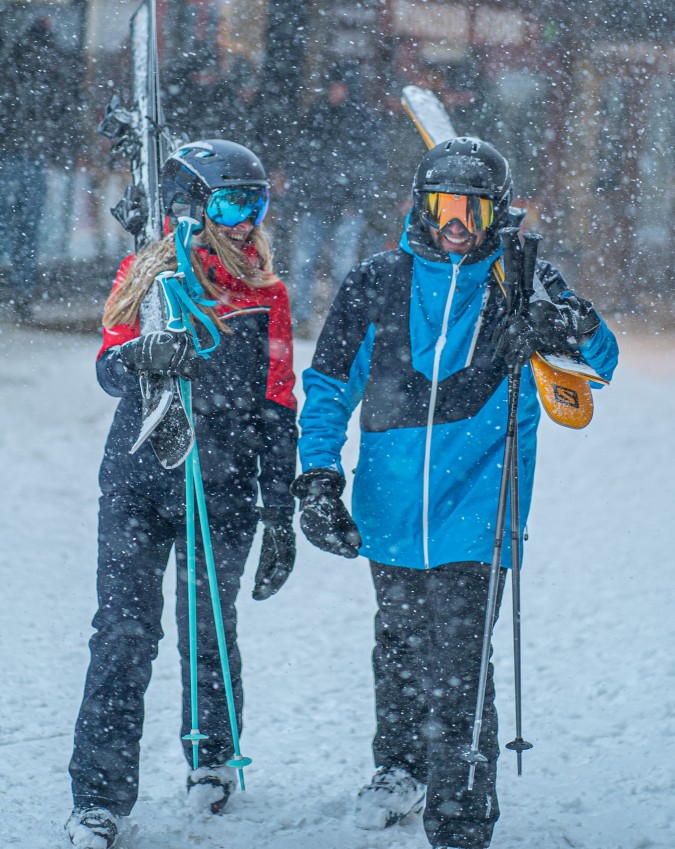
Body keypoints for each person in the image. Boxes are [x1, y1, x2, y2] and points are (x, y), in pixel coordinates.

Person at [291, 135, 618, 849]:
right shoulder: (373, 282)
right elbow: (325, 387)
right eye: (443, 206)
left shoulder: (522, 283)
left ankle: (460, 818)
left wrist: (571, 322)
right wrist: (317, 474)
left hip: (478, 509)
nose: (455, 223)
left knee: (460, 663)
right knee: (399, 644)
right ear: (419, 205)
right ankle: (399, 766)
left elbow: (602, 363)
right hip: (390, 505)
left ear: (496, 214)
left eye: (471, 209)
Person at [67, 139, 298, 849]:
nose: (245, 220)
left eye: (256, 203)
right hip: (138, 481)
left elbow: (278, 406)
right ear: (190, 204)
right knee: (124, 633)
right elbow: (108, 367)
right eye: (231, 202)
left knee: (206, 624)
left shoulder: (265, 293)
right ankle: (100, 797)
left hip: (220, 486)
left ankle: (213, 755)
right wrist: (142, 355)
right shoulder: (145, 273)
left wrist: (279, 512)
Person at [289, 63, 384, 336]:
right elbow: (303, 157)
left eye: (339, 86)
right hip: (318, 202)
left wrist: (357, 200)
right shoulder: (319, 115)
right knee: (305, 263)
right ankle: (303, 318)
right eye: (332, 86)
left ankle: (344, 320)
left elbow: (371, 165)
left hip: (345, 206)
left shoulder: (361, 120)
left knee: (343, 267)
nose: (334, 92)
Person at [0, 14, 81, 321]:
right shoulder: (49, 64)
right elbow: (61, 109)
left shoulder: (17, 61)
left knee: (18, 226)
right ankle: (23, 291)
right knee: (25, 229)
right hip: (29, 153)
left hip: (17, 152)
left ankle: (23, 291)